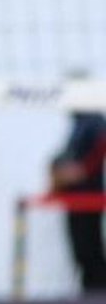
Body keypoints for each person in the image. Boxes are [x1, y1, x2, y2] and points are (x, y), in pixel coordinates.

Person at [49, 106, 106, 292]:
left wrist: (83, 170)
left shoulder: (93, 121)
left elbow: (99, 147)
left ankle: (96, 294)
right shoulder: (79, 124)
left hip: (87, 199)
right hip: (74, 199)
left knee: (90, 251)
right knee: (82, 253)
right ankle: (90, 293)